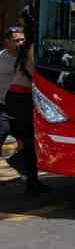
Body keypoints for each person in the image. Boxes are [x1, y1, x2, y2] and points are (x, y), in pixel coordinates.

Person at [4, 33, 49, 195]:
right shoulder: (32, 48)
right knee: (29, 141)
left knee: (28, 140)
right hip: (22, 98)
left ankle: (32, 180)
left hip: (18, 97)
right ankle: (29, 178)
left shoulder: (27, 48)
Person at [1, 26, 27, 178]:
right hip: (2, 106)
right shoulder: (1, 59)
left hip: (22, 107)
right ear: (7, 42)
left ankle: (20, 166)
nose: (21, 43)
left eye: (23, 39)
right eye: (17, 40)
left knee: (24, 140)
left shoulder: (28, 57)